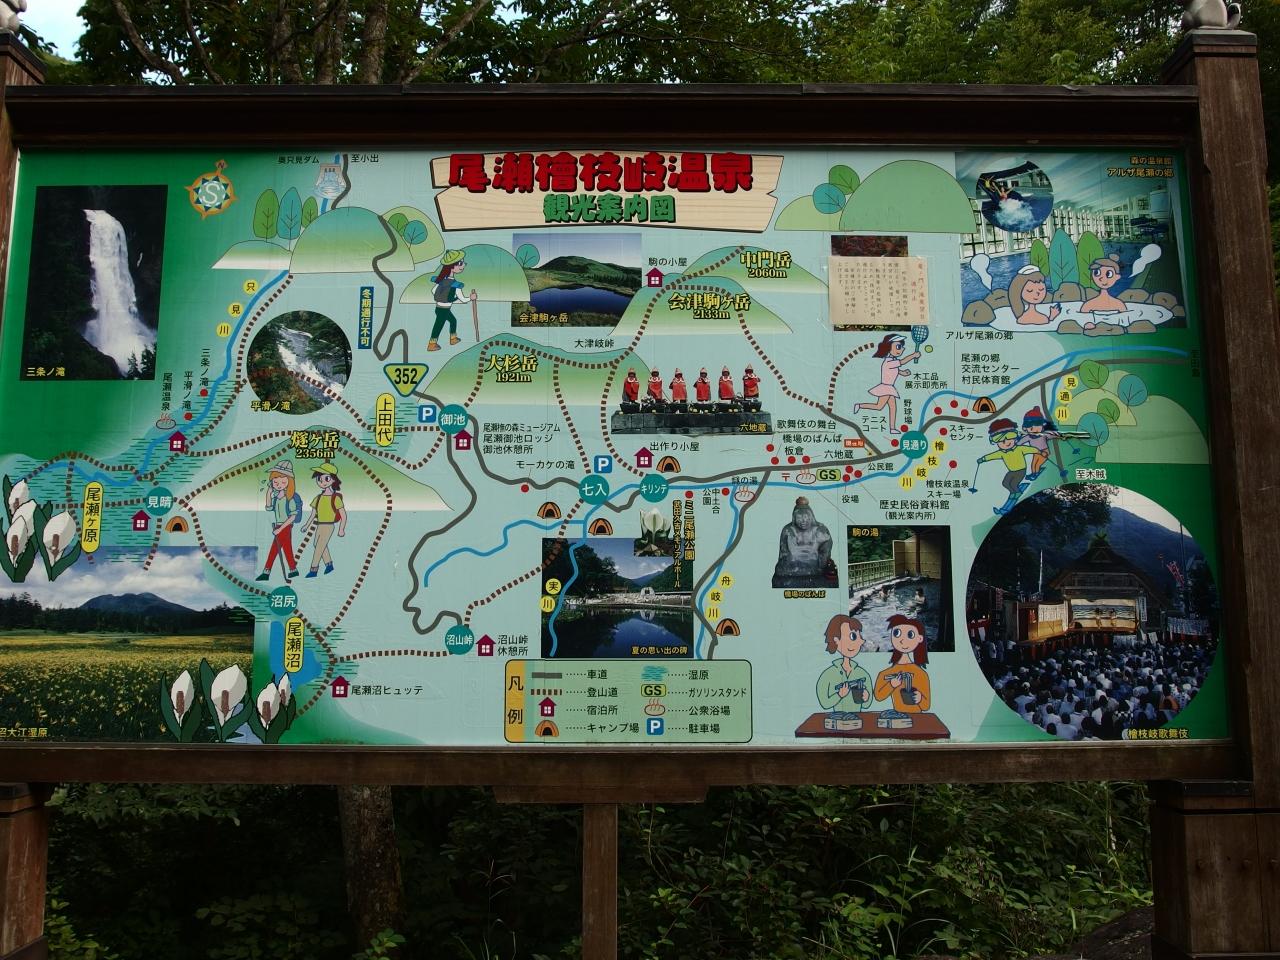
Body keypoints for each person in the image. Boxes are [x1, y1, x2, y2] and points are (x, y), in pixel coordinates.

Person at [976, 417, 1040, 515]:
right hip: (1012, 471)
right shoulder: (1001, 453)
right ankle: (1014, 492)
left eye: (1010, 437)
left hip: (1021, 470)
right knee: (1005, 483)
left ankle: (1016, 492)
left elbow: (1030, 449)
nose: (1006, 442)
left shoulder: (1019, 449)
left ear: (1015, 438)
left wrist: (1039, 451)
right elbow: (991, 456)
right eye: (1001, 440)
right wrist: (983, 459)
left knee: (1013, 484)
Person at [855, 334, 919, 434]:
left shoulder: (892, 361)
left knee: (892, 407)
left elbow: (897, 371)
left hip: (889, 388)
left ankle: (892, 428)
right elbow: (902, 362)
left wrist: (904, 373)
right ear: (889, 347)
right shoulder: (889, 362)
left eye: (902, 347)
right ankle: (859, 405)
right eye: (898, 346)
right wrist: (913, 355)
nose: (901, 349)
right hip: (886, 388)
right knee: (879, 407)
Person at [873, 613, 931, 713]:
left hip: (917, 718)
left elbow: (926, 706)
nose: (902, 640)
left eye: (910, 635)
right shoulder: (886, 674)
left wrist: (920, 698)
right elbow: (878, 696)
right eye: (897, 633)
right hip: (897, 716)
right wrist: (891, 685)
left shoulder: (921, 674)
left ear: (919, 639)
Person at [815, 614, 874, 712]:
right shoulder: (828, 674)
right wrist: (839, 695)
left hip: (858, 718)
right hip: (836, 718)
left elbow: (867, 705)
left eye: (858, 636)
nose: (861, 641)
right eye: (852, 636)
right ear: (836, 640)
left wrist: (866, 697)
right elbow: (824, 703)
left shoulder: (863, 674)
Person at [771, 496, 833, 588]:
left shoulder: (820, 529)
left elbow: (826, 551)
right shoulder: (788, 530)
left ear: (811, 517)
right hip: (791, 566)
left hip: (815, 567)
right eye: (799, 517)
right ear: (794, 518)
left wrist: (821, 565)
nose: (803, 521)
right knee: (782, 569)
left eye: (806, 517)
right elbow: (783, 554)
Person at [257, 459, 301, 582]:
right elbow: (268, 507)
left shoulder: (290, 498)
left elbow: (292, 516)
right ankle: (293, 570)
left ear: (289, 482)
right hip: (278, 526)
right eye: (275, 481)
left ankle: (266, 572)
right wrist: (269, 492)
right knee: (287, 548)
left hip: (285, 526)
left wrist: (280, 529)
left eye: (283, 481)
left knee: (274, 549)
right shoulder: (277, 497)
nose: (279, 484)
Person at [302, 461, 346, 577]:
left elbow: (343, 515)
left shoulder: (335, 498)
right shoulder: (318, 498)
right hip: (320, 524)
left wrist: (341, 529)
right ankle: (329, 564)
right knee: (317, 544)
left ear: (333, 480)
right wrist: (306, 526)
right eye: (319, 479)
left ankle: (313, 570)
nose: (322, 482)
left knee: (319, 547)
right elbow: (313, 514)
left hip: (329, 525)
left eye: (326, 479)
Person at [428, 249, 470, 352]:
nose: (463, 265)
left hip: (439, 308)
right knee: (438, 326)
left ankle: (453, 339)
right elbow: (463, 299)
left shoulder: (441, 280)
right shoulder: (455, 284)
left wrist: (441, 298)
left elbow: (433, 291)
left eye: (463, 263)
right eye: (460, 263)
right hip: (444, 309)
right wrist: (471, 298)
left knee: (453, 321)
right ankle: (432, 345)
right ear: (451, 267)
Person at [1017, 406, 1064, 480]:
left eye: (1038, 426)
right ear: (1025, 428)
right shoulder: (1029, 436)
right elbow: (1020, 442)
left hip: (1044, 451)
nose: (1035, 430)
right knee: (1033, 464)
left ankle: (1035, 474)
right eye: (1031, 428)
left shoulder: (1043, 435)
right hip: (1036, 452)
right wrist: (1015, 443)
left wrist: (1060, 436)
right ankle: (1033, 473)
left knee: (1037, 464)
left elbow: (1052, 435)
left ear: (1042, 426)